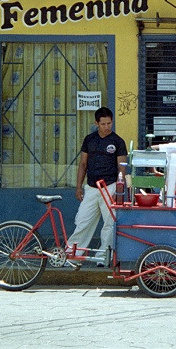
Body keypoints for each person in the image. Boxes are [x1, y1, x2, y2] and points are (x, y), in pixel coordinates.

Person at [65, 107, 128, 265]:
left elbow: (122, 168)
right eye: (103, 124)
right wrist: (78, 187)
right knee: (83, 221)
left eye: (109, 123)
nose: (107, 127)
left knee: (109, 223)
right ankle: (73, 255)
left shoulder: (118, 141)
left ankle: (103, 257)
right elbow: (83, 164)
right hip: (92, 188)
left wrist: (118, 191)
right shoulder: (89, 140)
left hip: (110, 186)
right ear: (96, 123)